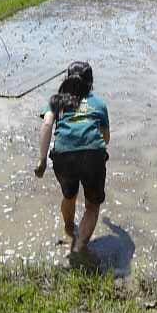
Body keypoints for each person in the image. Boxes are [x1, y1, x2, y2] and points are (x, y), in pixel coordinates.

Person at [34, 62, 110, 258]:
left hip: (63, 155)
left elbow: (47, 123)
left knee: (69, 196)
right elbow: (106, 138)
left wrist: (42, 159)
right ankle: (78, 248)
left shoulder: (57, 100)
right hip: (93, 153)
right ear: (91, 83)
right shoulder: (99, 103)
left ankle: (69, 229)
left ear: (66, 79)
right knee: (92, 206)